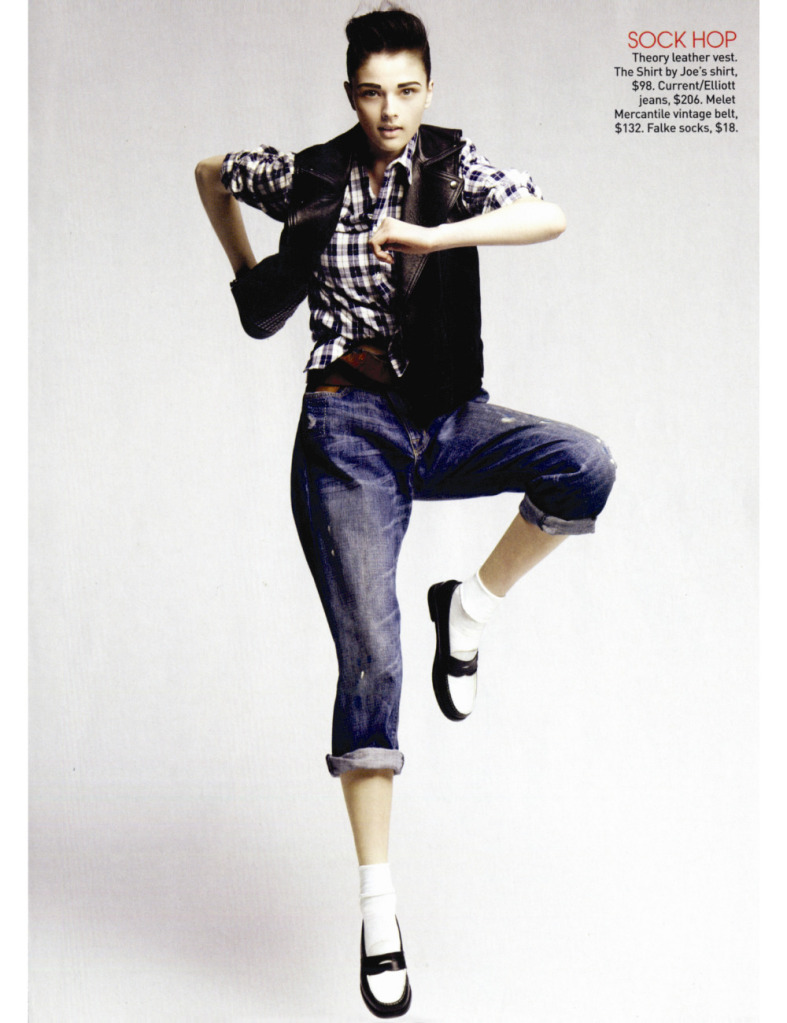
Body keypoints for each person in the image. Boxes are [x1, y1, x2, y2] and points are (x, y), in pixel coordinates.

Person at [195, 6, 616, 1017]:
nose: (391, 109)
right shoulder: (304, 176)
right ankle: (378, 909)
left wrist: (436, 232)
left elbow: (547, 214)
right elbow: (210, 173)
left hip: (444, 416)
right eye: (373, 92)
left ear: (428, 88)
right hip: (347, 429)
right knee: (373, 660)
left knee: (584, 467)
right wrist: (249, 276)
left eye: (408, 90)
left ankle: (467, 607)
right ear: (351, 93)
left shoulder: (453, 167)